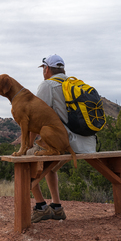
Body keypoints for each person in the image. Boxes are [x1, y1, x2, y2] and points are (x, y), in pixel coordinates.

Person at [27, 54, 96, 223]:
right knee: (50, 166)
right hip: (88, 143)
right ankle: (56, 207)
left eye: (43, 69)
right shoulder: (74, 84)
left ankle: (41, 207)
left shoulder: (47, 85)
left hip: (66, 142)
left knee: (27, 161)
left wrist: (27, 146)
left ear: (47, 69)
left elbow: (35, 118)